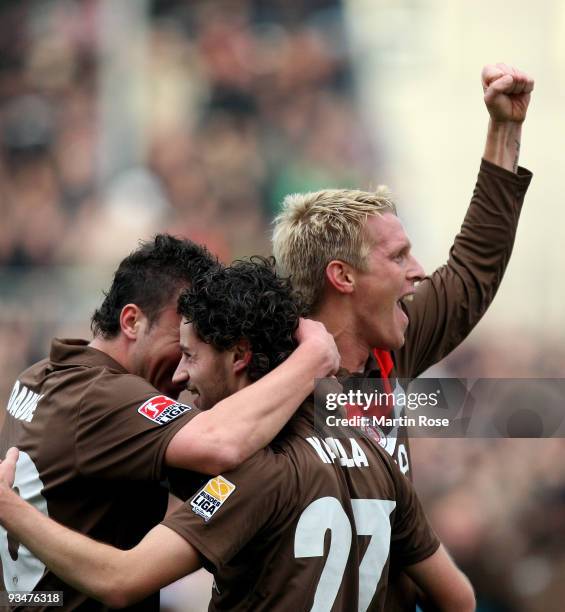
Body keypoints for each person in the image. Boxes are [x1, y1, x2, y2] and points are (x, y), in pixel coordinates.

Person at [0, 258, 475, 611]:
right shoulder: (377, 452)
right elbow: (459, 598)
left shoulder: (245, 475)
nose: (181, 378)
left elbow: (123, 579)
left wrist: (11, 512)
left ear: (240, 357)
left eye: (191, 356)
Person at [271, 62, 533, 608]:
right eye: (398, 256)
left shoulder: (395, 344)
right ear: (341, 277)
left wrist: (504, 132)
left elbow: (472, 270)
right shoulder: (261, 385)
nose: (418, 270)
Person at [0, 235, 339, 611]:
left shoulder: (39, 375)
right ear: (132, 321)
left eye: (194, 352)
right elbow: (220, 442)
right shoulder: (103, 397)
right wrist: (313, 358)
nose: (181, 374)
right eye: (181, 347)